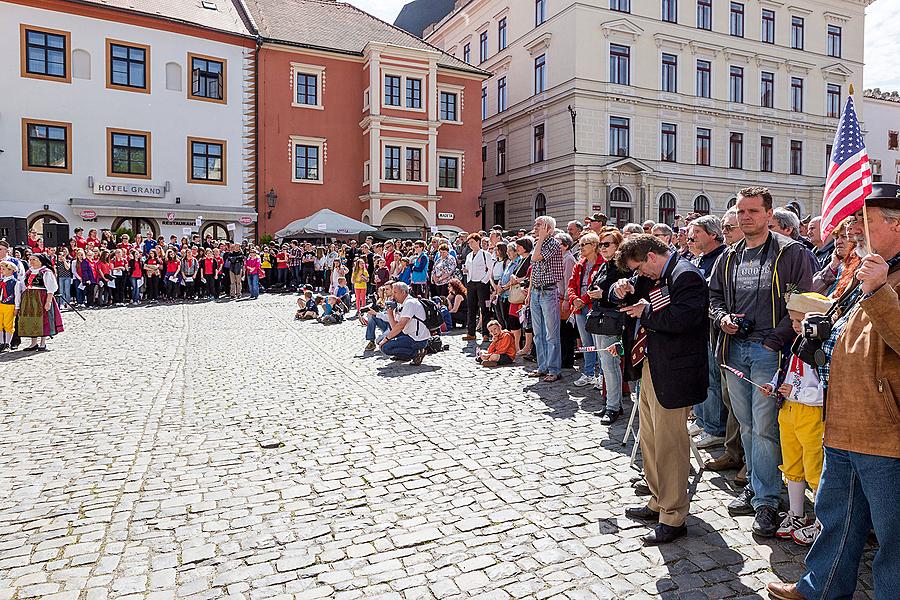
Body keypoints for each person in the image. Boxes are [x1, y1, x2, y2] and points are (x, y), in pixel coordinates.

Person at [767, 183, 900, 600]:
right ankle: (820, 588)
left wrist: (879, 291)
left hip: (885, 429)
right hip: (844, 419)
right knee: (835, 517)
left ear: (896, 225)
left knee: (894, 535)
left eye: (866, 220)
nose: (856, 229)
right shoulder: (871, 268)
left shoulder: (882, 277)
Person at [709, 186, 814, 537]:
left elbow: (801, 301)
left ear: (769, 214)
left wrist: (773, 340)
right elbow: (714, 297)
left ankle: (768, 501)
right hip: (734, 349)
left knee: (766, 428)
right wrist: (722, 317)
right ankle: (756, 488)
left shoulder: (790, 252)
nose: (746, 217)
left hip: (770, 351)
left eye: (753, 211)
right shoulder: (729, 255)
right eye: (741, 211)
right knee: (748, 425)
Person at [613, 235, 709, 544]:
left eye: (639, 269)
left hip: (675, 371)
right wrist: (621, 291)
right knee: (651, 438)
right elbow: (633, 298)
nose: (639, 275)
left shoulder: (686, 275)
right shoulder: (657, 274)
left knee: (670, 444)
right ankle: (658, 499)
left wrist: (645, 313)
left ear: (652, 257)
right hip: (652, 365)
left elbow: (684, 319)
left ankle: (674, 514)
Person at [761, 292, 831, 546]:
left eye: (799, 321)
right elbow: (787, 373)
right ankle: (796, 514)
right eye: (792, 320)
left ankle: (823, 523)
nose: (793, 325)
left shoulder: (821, 349)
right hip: (788, 412)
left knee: (814, 467)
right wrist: (773, 384)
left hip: (811, 416)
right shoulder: (795, 344)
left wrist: (797, 391)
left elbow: (824, 388)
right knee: (792, 465)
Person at [687, 215, 729, 450]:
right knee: (701, 376)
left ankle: (715, 427)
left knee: (712, 378)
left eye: (697, 233)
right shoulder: (701, 258)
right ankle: (703, 420)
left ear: (713, 234)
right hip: (698, 326)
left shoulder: (721, 257)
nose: (692, 238)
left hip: (713, 327)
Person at [585, 227, 630, 423]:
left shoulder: (621, 267)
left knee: (610, 365)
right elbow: (594, 285)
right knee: (605, 365)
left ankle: (613, 406)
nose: (602, 248)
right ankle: (612, 403)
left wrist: (603, 294)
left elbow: (623, 296)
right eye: (600, 244)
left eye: (606, 244)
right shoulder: (605, 265)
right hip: (600, 317)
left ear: (617, 246)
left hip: (611, 319)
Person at [568, 231, 604, 388]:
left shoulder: (602, 263)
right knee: (586, 342)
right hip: (579, 308)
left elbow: (599, 287)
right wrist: (574, 299)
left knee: (599, 343)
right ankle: (589, 373)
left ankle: (602, 375)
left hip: (593, 307)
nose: (580, 247)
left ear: (594, 245)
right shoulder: (579, 264)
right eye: (580, 244)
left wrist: (582, 300)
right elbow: (571, 285)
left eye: (584, 244)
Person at [18, 253, 64, 351]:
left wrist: (48, 302)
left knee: (43, 319)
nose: (31, 262)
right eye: (30, 260)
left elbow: (51, 288)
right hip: (29, 297)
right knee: (31, 319)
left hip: (41, 297)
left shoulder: (46, 272)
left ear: (41, 261)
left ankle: (43, 343)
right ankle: (33, 343)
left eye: (34, 259)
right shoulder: (29, 272)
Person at [379, 282, 429, 365]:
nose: (393, 295)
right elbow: (395, 327)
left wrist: (385, 339)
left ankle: (416, 353)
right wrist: (390, 313)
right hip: (409, 335)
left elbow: (400, 326)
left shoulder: (410, 303)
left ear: (403, 292)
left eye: (395, 292)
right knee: (385, 342)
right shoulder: (401, 304)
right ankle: (406, 355)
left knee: (385, 347)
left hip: (417, 339)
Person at [462, 234, 494, 342]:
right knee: (471, 308)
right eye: (469, 243)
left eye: (472, 242)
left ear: (478, 242)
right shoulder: (469, 255)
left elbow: (490, 270)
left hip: (482, 284)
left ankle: (486, 333)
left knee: (484, 309)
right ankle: (471, 333)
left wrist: (484, 281)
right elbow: (467, 267)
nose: (470, 245)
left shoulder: (486, 255)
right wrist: (466, 273)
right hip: (471, 283)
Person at [0, 260, 23, 351]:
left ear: (10, 270)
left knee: (8, 324)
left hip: (9, 305)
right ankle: (1, 342)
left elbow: (17, 295)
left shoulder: (15, 282)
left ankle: (7, 343)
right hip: (1, 304)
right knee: (0, 324)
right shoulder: (1, 280)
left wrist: (17, 307)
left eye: (4, 269)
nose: (2, 270)